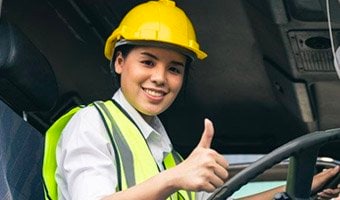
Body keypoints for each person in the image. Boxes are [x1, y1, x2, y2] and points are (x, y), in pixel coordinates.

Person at [51, 0, 340, 199]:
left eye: (174, 69)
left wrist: (306, 187)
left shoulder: (169, 157)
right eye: (148, 62)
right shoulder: (92, 124)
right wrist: (174, 178)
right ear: (119, 62)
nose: (160, 78)